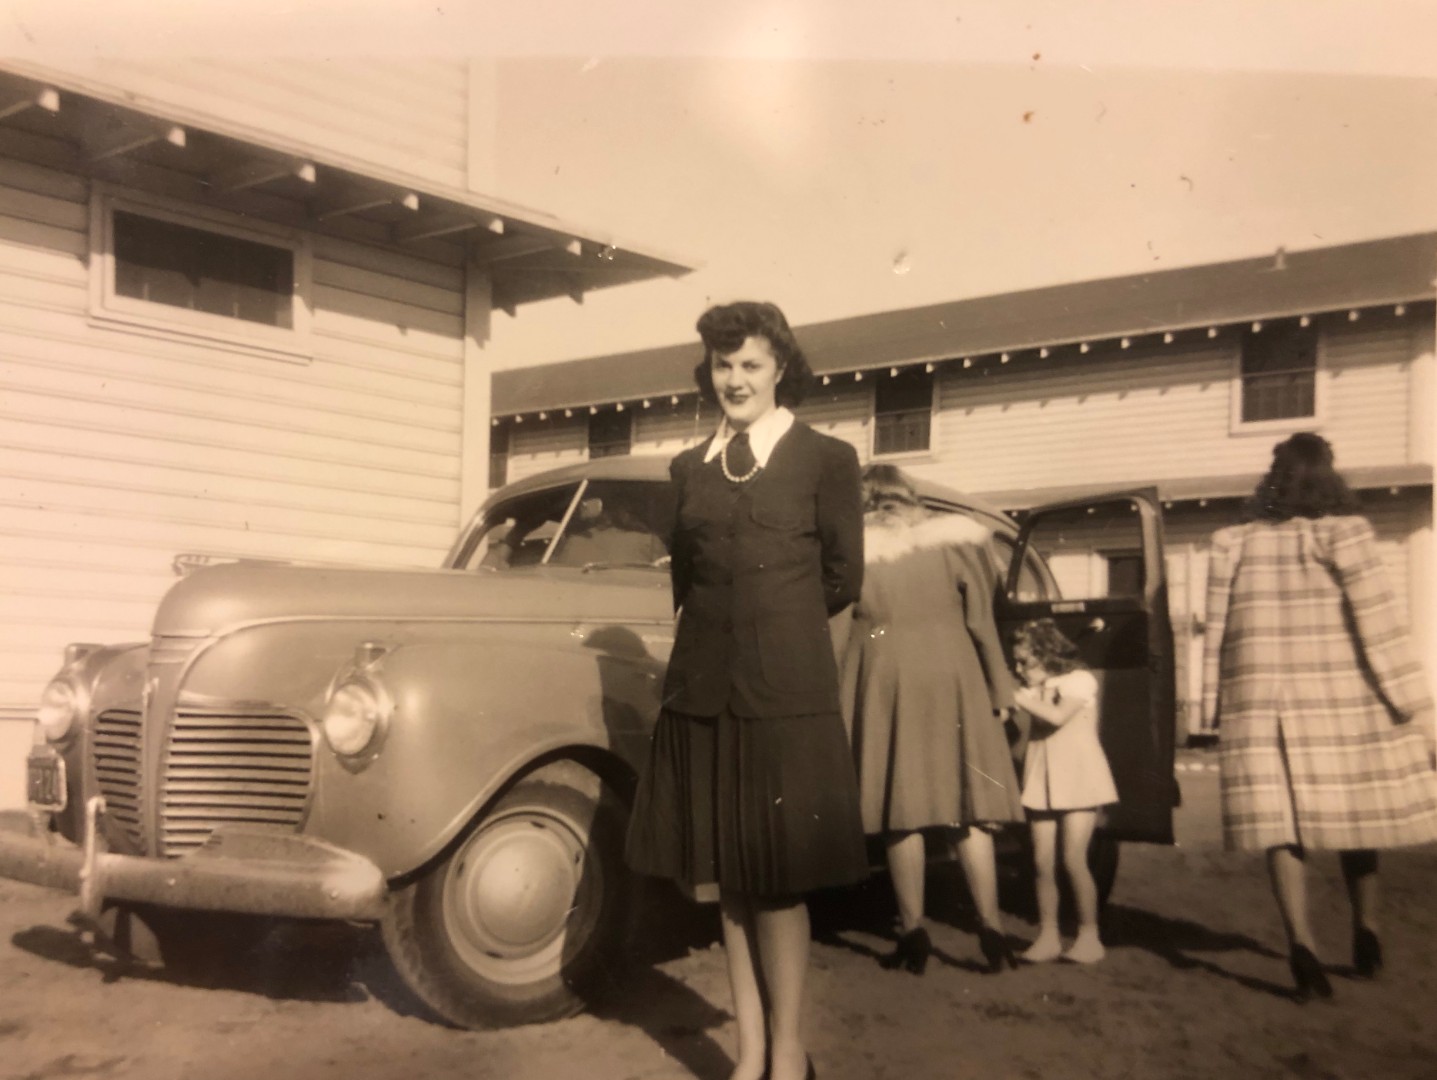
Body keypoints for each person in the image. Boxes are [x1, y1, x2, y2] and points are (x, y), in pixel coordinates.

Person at [625, 301, 867, 1080]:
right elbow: (687, 580)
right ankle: (751, 1050)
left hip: (783, 698)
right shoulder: (687, 469)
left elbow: (841, 577)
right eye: (723, 365)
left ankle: (788, 1053)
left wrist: (773, 632)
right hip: (703, 694)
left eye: (750, 365)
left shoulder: (825, 458)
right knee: (726, 880)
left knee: (777, 883)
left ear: (780, 369)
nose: (735, 379)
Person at [1203, 432, 1437, 1002]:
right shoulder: (1345, 533)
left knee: (1280, 827)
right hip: (1342, 700)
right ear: (1329, 477)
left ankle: (1302, 946)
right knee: (1357, 817)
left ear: (1273, 479)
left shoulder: (1232, 542)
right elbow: (1381, 625)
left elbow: (1215, 635)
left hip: (1261, 702)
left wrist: (1214, 707)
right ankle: (1367, 930)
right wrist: (1419, 709)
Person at [841, 464, 1022, 976]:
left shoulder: (851, 554)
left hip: (885, 675)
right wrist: (1001, 687)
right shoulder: (954, 543)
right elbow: (981, 622)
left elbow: (843, 629)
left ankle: (913, 930)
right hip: (953, 673)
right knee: (969, 809)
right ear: (908, 496)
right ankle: (992, 927)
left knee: (902, 811)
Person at [1011, 618, 1118, 965]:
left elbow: (1057, 717)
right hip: (1042, 776)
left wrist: (1018, 697)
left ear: (1046, 655)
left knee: (1073, 859)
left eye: (1024, 662)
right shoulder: (1033, 688)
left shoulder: (1079, 681)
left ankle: (1089, 936)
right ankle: (1048, 936)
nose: (1019, 669)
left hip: (1078, 777)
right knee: (1041, 861)